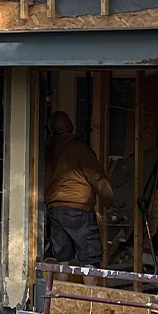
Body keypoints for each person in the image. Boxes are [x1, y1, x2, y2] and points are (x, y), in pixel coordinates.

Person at [44, 110, 113, 267]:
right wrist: (108, 200)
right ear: (69, 126)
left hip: (54, 208)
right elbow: (96, 176)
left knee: (62, 258)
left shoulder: (46, 151)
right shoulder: (79, 149)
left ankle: (61, 292)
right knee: (91, 257)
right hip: (77, 207)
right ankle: (89, 292)